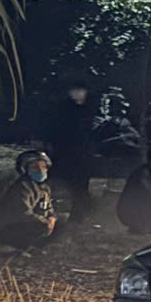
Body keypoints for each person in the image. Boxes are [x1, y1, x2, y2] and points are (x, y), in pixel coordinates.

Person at [39, 81, 99, 224]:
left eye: (80, 90)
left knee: (81, 184)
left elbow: (91, 131)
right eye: (74, 90)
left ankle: (79, 214)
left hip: (84, 153)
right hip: (65, 151)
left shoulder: (90, 109)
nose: (77, 94)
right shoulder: (63, 109)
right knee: (65, 182)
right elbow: (55, 129)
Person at [0, 150, 57, 255]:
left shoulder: (44, 188)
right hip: (6, 228)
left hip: (28, 222)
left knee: (60, 224)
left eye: (43, 167)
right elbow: (22, 213)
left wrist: (52, 218)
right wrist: (45, 222)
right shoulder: (22, 187)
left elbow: (49, 208)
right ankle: (16, 247)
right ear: (25, 170)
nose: (40, 170)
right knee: (40, 225)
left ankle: (29, 246)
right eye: (35, 167)